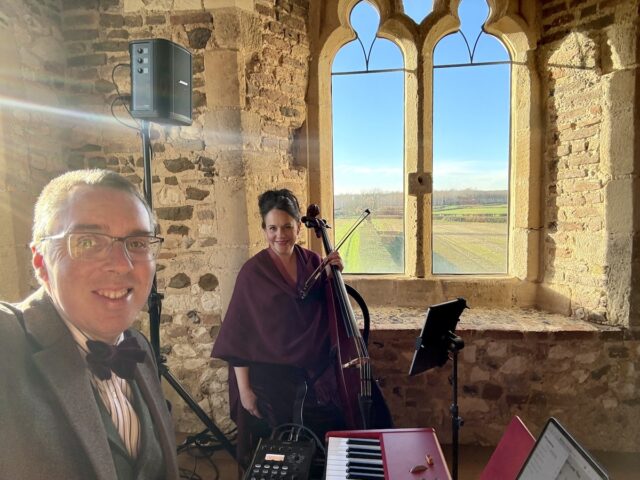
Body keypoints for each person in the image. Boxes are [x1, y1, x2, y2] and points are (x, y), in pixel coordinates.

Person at [0, 169, 180, 479]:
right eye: (87, 242)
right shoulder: (8, 340)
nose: (121, 264)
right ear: (41, 262)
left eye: (137, 243)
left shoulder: (138, 347)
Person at [211, 189, 346, 467]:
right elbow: (239, 335)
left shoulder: (311, 262)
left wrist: (334, 275)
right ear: (264, 229)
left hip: (309, 373)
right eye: (272, 228)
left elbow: (326, 313)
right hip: (267, 379)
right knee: (279, 453)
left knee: (321, 441)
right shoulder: (252, 272)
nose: (280, 234)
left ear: (298, 226)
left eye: (287, 226)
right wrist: (245, 391)